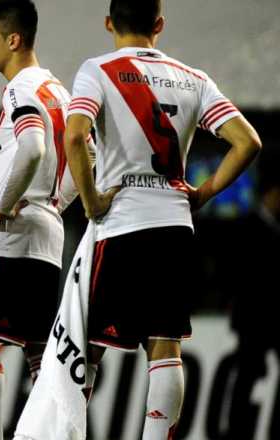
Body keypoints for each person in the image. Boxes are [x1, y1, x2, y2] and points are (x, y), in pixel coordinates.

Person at [63, 0, 261, 437]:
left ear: (109, 22)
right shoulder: (194, 78)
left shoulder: (97, 71)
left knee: (86, 349)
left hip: (120, 225)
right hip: (174, 227)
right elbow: (247, 141)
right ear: (159, 25)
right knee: (165, 348)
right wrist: (205, 192)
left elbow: (75, 135)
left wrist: (92, 200)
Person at [0, 1, 82, 438]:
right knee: (39, 351)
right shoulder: (60, 92)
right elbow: (87, 162)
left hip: (11, 236)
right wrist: (51, 204)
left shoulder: (20, 90)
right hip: (47, 236)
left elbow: (32, 148)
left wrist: (4, 204)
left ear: (13, 40)